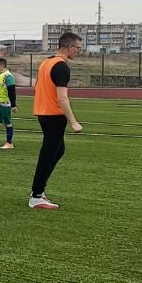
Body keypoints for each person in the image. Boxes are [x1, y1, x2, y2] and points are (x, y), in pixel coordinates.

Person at [30, 32, 84, 210]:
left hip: (44, 112)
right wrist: (73, 121)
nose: (78, 51)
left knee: (58, 150)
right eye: (77, 48)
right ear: (69, 47)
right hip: (53, 114)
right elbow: (62, 98)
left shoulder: (46, 62)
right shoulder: (61, 66)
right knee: (49, 153)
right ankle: (36, 196)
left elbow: (37, 87)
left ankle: (38, 191)